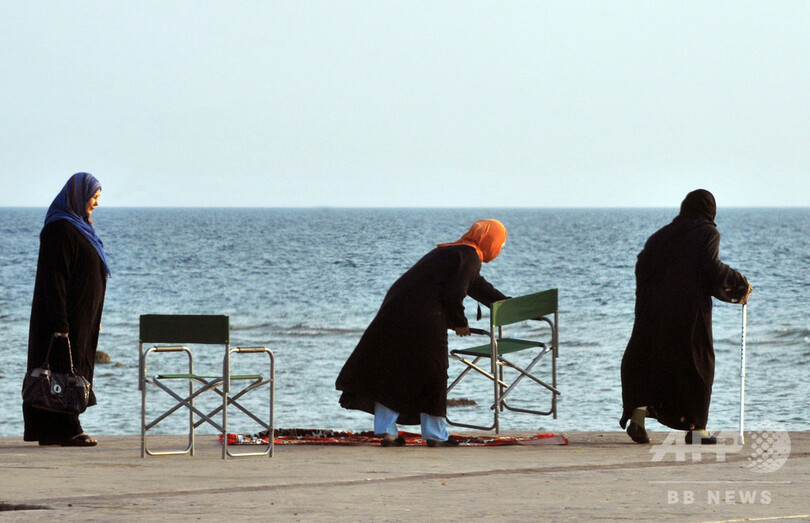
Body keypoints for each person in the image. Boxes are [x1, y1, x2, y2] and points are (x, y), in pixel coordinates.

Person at [336, 219, 509, 447]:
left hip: (395, 311)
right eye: (501, 242)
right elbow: (454, 292)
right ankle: (435, 436)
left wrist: (508, 305)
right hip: (423, 317)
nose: (502, 247)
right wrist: (459, 322)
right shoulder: (469, 256)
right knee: (435, 373)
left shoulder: (455, 252)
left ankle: (387, 434)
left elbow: (477, 287)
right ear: (490, 240)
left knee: (394, 372)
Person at [620, 189, 751, 445]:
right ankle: (696, 429)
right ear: (709, 209)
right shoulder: (708, 232)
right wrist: (740, 285)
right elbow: (709, 267)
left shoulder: (663, 235)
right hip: (688, 313)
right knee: (698, 366)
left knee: (653, 361)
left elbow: (644, 263)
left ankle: (638, 418)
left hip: (653, 312)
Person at [23, 172, 110, 447]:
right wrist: (61, 325)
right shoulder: (60, 228)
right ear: (77, 196)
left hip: (80, 317)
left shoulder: (79, 227)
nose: (96, 203)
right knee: (62, 371)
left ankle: (51, 431)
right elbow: (55, 278)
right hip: (63, 318)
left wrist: (94, 317)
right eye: (93, 197)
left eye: (97, 198)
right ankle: (69, 428)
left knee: (69, 370)